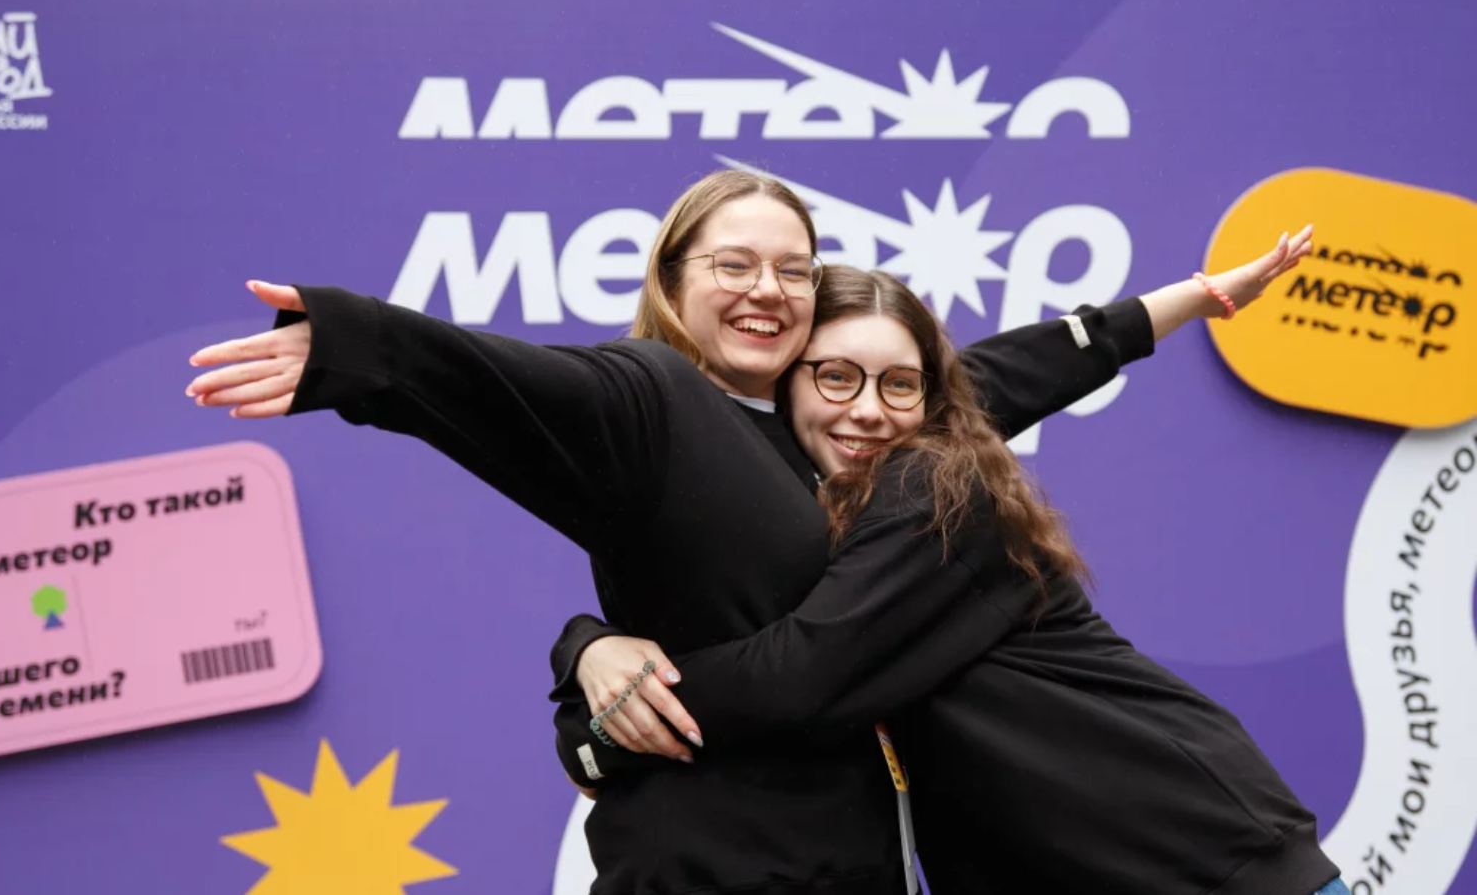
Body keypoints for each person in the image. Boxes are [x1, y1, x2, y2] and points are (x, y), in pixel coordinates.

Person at [185, 168, 1300, 895]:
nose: (767, 288)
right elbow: (505, 380)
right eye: (734, 264)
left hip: (846, 864)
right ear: (672, 281)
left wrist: (1179, 304)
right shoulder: (649, 396)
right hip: (703, 866)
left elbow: (989, 379)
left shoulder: (846, 436)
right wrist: (358, 350)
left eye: (792, 270)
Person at [548, 261, 1347, 895]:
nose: (868, 409)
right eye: (835, 377)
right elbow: (1018, 369)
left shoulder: (927, 491)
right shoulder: (822, 517)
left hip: (1195, 856)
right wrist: (589, 646)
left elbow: (798, 676)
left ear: (929, 399)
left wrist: (597, 731)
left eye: (899, 384)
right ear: (785, 383)